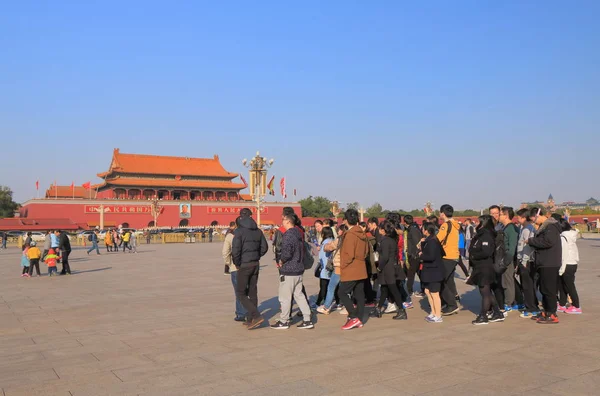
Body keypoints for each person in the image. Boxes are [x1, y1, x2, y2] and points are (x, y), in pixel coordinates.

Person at [270, 214, 315, 330]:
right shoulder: (298, 233)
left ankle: (284, 321)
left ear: (288, 222)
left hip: (289, 270)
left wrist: (281, 261)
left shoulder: (288, 235)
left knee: (285, 297)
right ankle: (307, 319)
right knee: (299, 295)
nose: (282, 223)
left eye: (283, 220)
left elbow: (287, 253)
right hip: (298, 269)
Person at [232, 208, 269, 330]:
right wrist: (257, 256)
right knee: (252, 291)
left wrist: (237, 263)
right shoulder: (258, 231)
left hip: (244, 265)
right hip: (255, 264)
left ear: (241, 217)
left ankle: (256, 315)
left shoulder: (239, 231)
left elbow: (235, 250)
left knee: (241, 293)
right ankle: (250, 318)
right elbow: (264, 247)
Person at [527, 207, 561, 324]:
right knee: (544, 289)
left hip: (549, 263)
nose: (533, 223)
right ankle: (546, 311)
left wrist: (531, 241)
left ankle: (552, 313)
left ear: (538, 215)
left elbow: (548, 242)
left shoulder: (550, 227)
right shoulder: (544, 227)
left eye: (533, 220)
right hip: (543, 263)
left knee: (549, 290)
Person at [468, 215, 504, 325]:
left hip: (485, 267)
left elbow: (486, 252)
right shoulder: (480, 234)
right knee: (486, 292)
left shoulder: (486, 235)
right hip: (479, 266)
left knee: (485, 293)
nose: (478, 223)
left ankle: (483, 316)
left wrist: (474, 256)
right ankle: (497, 313)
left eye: (480, 222)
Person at [369, 221, 408, 320]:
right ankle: (378, 308)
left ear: (383, 230)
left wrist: (379, 267)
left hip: (388, 268)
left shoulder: (386, 241)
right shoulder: (391, 239)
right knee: (384, 289)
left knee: (393, 290)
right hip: (390, 267)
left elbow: (385, 257)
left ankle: (401, 310)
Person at [338, 209, 369, 330]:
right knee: (359, 294)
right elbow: (366, 251)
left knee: (342, 292)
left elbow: (349, 254)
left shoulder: (350, 234)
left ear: (346, 220)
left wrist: (343, 265)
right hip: (361, 267)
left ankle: (353, 316)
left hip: (351, 268)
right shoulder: (362, 233)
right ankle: (359, 319)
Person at [437, 204, 461, 316]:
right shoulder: (455, 224)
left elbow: (438, 239)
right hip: (454, 256)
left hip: (447, 256)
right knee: (449, 280)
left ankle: (452, 304)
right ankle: (450, 302)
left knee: (441, 280)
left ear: (442, 213)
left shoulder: (445, 225)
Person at [419, 222, 445, 323]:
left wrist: (421, 255)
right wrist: (422, 244)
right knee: (427, 291)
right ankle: (433, 312)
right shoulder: (428, 240)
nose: (422, 230)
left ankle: (438, 315)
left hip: (434, 270)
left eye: (423, 228)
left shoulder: (433, 241)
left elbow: (431, 256)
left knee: (435, 293)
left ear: (427, 230)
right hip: (429, 269)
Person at [516, 209, 539, 318]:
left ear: (524, 218)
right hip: (527, 261)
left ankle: (530, 309)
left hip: (526, 261)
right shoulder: (526, 228)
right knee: (530, 286)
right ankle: (534, 306)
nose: (517, 219)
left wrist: (524, 261)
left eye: (519, 217)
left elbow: (527, 248)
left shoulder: (527, 230)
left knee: (527, 286)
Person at [222, 221, 247, 322]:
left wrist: (229, 263)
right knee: (249, 290)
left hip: (235, 267)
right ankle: (251, 311)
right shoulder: (251, 233)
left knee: (239, 291)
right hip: (249, 265)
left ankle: (241, 313)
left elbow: (225, 252)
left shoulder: (230, 235)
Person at [557, 218, 581, 314]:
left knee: (569, 286)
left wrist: (561, 269)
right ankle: (562, 304)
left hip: (567, 264)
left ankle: (576, 306)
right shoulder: (570, 235)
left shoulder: (563, 237)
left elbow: (563, 255)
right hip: (572, 263)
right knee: (563, 285)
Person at [498, 207, 519, 312]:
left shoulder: (511, 228)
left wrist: (506, 261)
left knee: (507, 282)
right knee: (506, 281)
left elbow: (512, 247)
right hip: (505, 257)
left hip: (508, 259)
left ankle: (508, 303)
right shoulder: (505, 227)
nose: (498, 216)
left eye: (500, 214)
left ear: (506, 216)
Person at [405, 215, 424, 298]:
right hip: (413, 254)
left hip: (414, 255)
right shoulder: (411, 229)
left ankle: (410, 290)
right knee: (417, 273)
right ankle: (421, 289)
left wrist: (416, 254)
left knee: (412, 273)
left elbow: (417, 243)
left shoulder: (413, 230)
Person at [315, 227, 334, 307]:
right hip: (330, 266)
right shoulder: (332, 240)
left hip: (325, 267)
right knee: (328, 286)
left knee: (323, 286)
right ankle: (326, 302)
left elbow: (322, 256)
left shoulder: (326, 242)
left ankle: (318, 303)